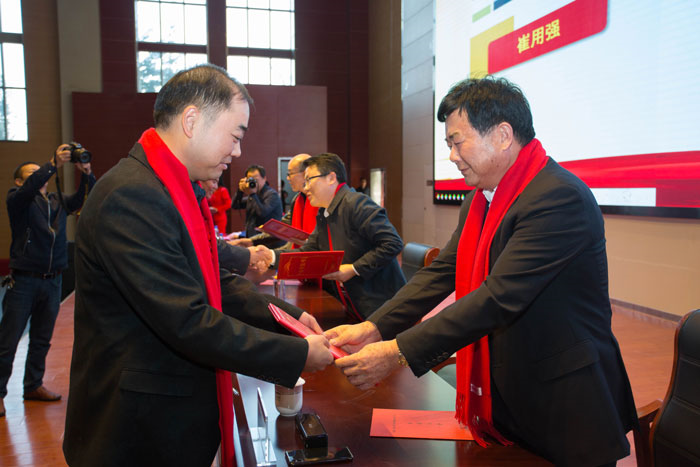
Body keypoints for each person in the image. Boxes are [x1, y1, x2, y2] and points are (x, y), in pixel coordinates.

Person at [327, 77, 638, 466]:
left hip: (562, 401)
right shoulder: (479, 200)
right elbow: (443, 270)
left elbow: (498, 297)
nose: (452, 156)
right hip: (504, 393)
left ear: (503, 135)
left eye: (458, 142)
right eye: (448, 145)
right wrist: (375, 327)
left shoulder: (558, 198)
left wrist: (397, 352)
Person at [63, 64, 333, 467]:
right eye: (235, 135)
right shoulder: (133, 195)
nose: (237, 152)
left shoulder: (168, 186)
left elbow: (211, 279)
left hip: (162, 421)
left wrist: (288, 319)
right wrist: (295, 354)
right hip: (135, 433)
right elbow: (186, 321)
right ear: (191, 121)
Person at [0, 147, 95, 418]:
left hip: (53, 280)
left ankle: (33, 385)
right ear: (19, 181)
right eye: (32, 173)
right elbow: (31, 187)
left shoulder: (56, 200)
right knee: (8, 341)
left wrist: (86, 174)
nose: (39, 176)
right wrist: (52, 163)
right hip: (24, 280)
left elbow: (83, 199)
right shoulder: (17, 199)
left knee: (42, 339)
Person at [274, 153, 406, 320]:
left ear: (331, 178)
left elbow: (393, 243)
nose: (305, 188)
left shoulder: (357, 203)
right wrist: (270, 257)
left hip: (382, 307)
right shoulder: (325, 211)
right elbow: (310, 250)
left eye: (309, 180)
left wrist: (354, 269)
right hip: (352, 304)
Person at [236, 153, 318, 249]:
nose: (288, 178)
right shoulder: (297, 200)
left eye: (290, 174)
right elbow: (282, 228)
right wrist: (252, 241)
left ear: (305, 173)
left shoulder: (320, 200)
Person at [231, 164, 283, 238]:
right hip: (253, 238)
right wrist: (240, 190)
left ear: (264, 178)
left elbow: (262, 213)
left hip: (268, 239)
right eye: (250, 180)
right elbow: (235, 205)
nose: (254, 183)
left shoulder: (272, 194)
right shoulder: (253, 195)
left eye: (256, 180)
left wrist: (252, 194)